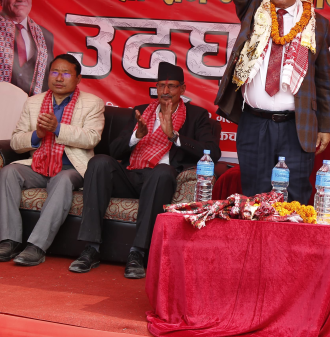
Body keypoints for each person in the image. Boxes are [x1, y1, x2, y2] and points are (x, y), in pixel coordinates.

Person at [214, 0, 330, 204]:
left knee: (294, 201)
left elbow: (323, 79)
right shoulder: (254, 8)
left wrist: (325, 125)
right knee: (254, 198)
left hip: (296, 126)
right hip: (254, 123)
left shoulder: (317, 24)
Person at [71, 62, 220, 279]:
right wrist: (136, 136)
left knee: (162, 171)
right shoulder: (141, 112)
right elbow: (114, 150)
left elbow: (212, 152)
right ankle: (91, 248)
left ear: (182, 89)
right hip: (131, 173)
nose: (165, 91)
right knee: (99, 162)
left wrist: (174, 136)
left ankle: (138, 253)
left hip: (159, 180)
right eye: (161, 86)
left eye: (171, 86)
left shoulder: (196, 115)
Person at [0, 54, 104, 267]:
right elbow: (16, 141)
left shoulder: (92, 103)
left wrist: (57, 128)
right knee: (8, 172)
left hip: (72, 167)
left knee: (62, 180)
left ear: (78, 78)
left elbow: (92, 138)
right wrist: (37, 135)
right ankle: (9, 241)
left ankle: (37, 246)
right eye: (55, 72)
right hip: (38, 166)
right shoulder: (33, 102)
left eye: (66, 73)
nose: (59, 78)